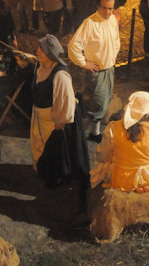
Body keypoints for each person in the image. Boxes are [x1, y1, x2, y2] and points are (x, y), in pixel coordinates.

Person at [29, 35, 89, 195]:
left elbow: (65, 99)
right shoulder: (41, 67)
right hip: (42, 116)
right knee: (43, 145)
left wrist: (61, 121)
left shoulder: (60, 75)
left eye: (42, 49)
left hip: (56, 118)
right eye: (39, 48)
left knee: (55, 149)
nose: (38, 52)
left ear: (51, 53)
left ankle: (57, 178)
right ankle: (45, 170)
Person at [90, 91, 149, 193]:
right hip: (148, 177)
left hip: (121, 179)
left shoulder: (113, 127)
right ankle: (142, 183)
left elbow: (102, 157)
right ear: (147, 113)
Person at [68, 0, 120, 143]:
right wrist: (83, 62)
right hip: (96, 72)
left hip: (109, 68)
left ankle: (93, 132)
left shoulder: (112, 21)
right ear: (98, 6)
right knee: (95, 102)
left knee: (103, 101)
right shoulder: (89, 23)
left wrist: (112, 58)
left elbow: (116, 40)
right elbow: (73, 46)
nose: (108, 12)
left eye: (110, 8)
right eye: (104, 8)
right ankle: (83, 134)